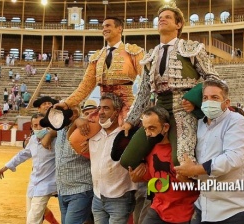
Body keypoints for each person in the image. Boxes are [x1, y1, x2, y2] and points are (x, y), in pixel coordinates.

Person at [120, 2, 219, 169]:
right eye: (160, 18)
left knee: (182, 161)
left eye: (167, 17)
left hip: (184, 109)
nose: (162, 20)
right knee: (127, 160)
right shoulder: (150, 55)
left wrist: (194, 98)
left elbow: (215, 80)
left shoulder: (192, 49)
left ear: (178, 24)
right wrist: (130, 121)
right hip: (158, 111)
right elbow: (144, 93)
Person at [54, 17, 144, 150]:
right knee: (76, 140)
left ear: (120, 29)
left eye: (108, 26)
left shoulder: (133, 51)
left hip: (127, 105)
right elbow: (85, 85)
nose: (104, 29)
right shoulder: (97, 56)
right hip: (103, 107)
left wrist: (141, 106)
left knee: (133, 142)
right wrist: (67, 103)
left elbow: (145, 80)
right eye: (103, 27)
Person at [174, 79, 244, 224]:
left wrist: (194, 169)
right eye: (205, 98)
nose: (208, 102)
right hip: (204, 206)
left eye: (215, 97)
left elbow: (232, 159)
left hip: (234, 208)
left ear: (226, 102)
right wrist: (190, 176)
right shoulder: (199, 125)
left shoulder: (237, 122)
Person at [128, 106, 199, 224]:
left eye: (152, 128)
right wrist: (137, 178)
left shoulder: (183, 152)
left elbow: (204, 184)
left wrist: (189, 182)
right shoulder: (150, 150)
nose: (148, 133)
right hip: (158, 209)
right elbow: (153, 178)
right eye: (145, 129)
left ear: (165, 127)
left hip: (183, 213)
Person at [0, 113, 57, 224]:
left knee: (33, 218)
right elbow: (22, 155)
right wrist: (6, 167)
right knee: (30, 214)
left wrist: (52, 133)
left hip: (47, 184)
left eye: (41, 125)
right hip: (33, 183)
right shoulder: (33, 139)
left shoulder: (54, 139)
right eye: (35, 125)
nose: (38, 128)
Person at [89, 93, 137, 224]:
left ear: (116, 112)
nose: (101, 112)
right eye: (100, 108)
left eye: (106, 108)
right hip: (97, 197)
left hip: (120, 197)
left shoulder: (126, 135)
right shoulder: (93, 134)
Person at [54, 104, 94, 224]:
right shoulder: (60, 129)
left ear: (75, 114)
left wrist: (78, 121)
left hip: (80, 189)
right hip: (62, 190)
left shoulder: (85, 128)